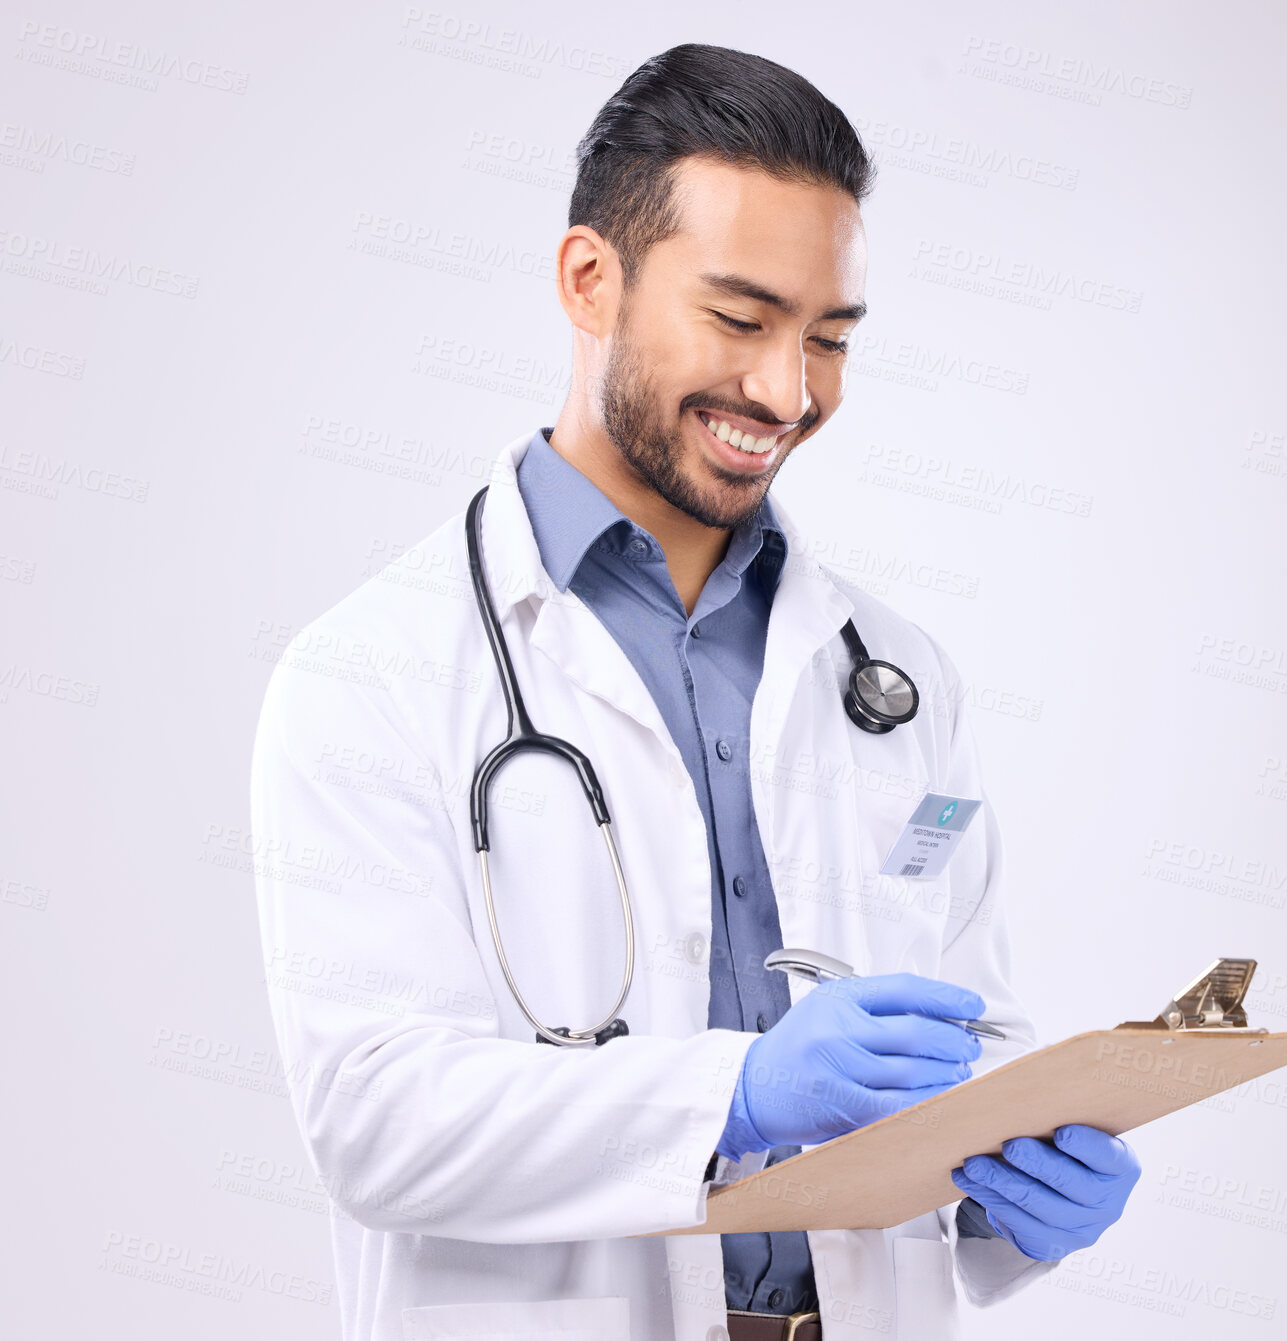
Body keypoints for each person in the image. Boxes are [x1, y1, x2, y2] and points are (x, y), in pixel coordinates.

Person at [250, 42, 1139, 1341]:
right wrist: (737, 1092)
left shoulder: (894, 681)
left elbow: (972, 1027)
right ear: (588, 280)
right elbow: (376, 1120)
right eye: (742, 320)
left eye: (828, 337)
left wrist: (1019, 1191)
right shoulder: (368, 676)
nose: (788, 392)